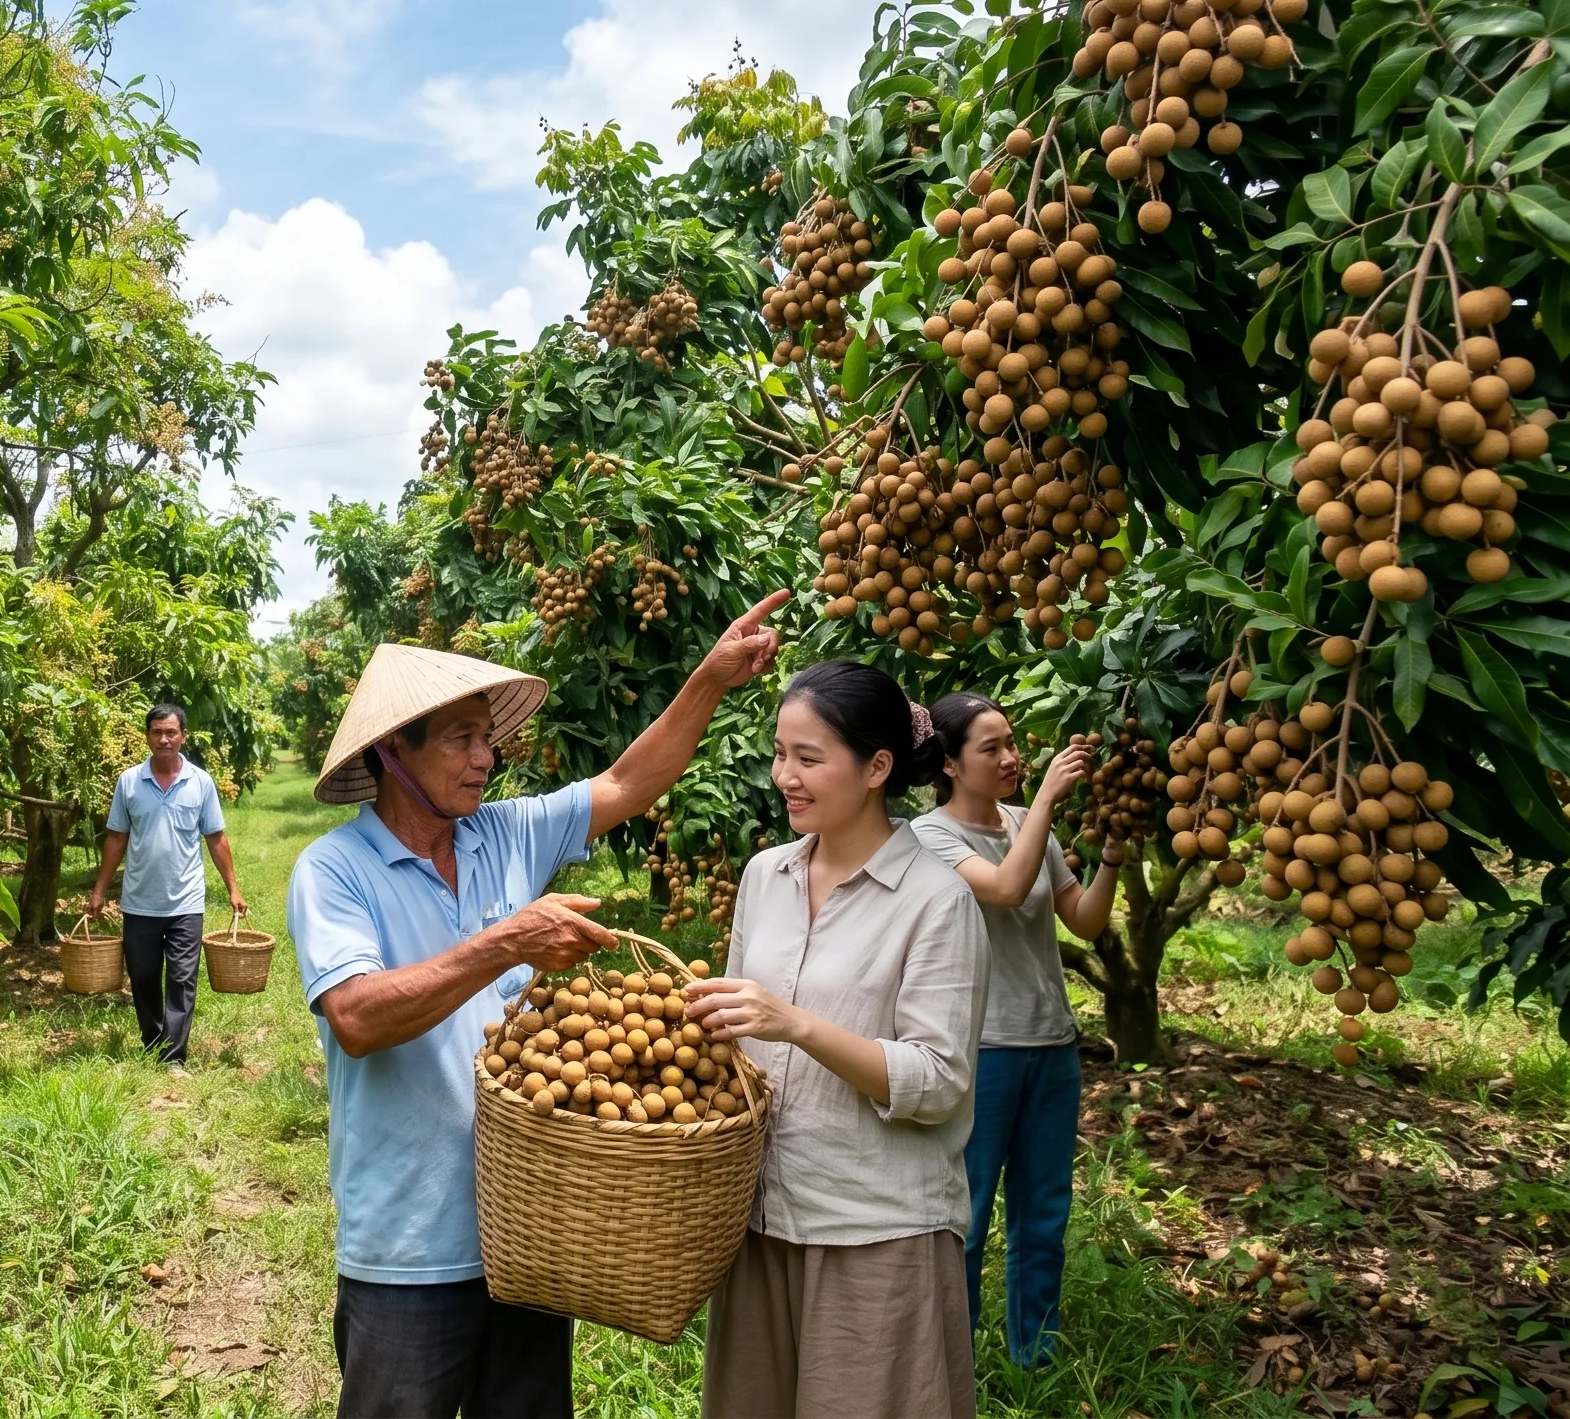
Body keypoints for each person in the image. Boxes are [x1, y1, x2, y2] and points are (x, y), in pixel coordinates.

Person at [289, 593, 788, 1419]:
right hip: (407, 1244)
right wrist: (508, 943)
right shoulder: (334, 872)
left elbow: (631, 779)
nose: (488, 758)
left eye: (490, 737)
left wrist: (709, 678)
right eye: (462, 739)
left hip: (531, 1231)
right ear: (392, 753)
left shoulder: (505, 834)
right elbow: (356, 1016)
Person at [688, 660, 988, 1419]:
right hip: (759, 1220)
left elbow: (938, 1079)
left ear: (878, 766)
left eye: (809, 758)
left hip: (875, 1231)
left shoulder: (937, 900)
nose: (785, 775)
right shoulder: (766, 876)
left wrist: (798, 1026)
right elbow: (734, 1040)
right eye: (781, 753)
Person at [916, 692, 1119, 1368]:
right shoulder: (930, 839)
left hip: (1052, 1046)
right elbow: (1003, 888)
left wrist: (1113, 858)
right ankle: (955, 1364)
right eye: (991, 748)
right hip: (985, 1051)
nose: (1012, 758)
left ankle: (1037, 1354)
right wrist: (1050, 805)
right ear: (948, 763)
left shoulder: (1028, 824)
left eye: (1012, 743)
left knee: (1045, 1216)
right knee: (966, 1219)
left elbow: (1082, 920)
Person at [87, 702, 242, 1068]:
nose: (164, 739)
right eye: (157, 732)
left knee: (182, 980)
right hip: (140, 901)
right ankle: (153, 1043)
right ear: (147, 737)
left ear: (183, 736)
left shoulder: (200, 782)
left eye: (171, 732)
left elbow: (216, 837)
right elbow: (116, 838)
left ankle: (173, 1057)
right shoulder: (129, 782)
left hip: (186, 902)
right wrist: (98, 891)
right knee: (142, 977)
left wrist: (234, 888)